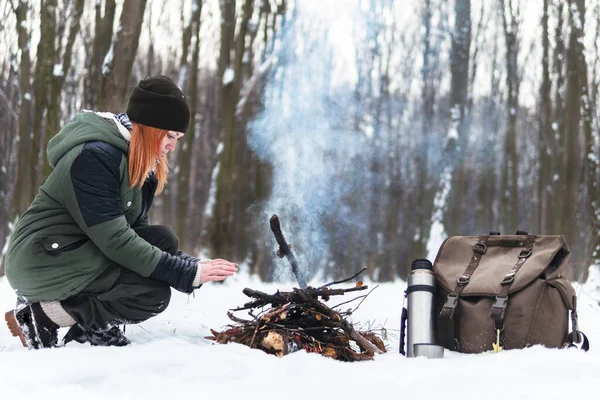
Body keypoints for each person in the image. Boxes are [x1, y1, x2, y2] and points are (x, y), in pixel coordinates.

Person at [4, 75, 238, 349]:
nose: (173, 145)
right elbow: (116, 241)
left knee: (163, 239)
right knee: (151, 293)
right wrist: (183, 274)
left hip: (76, 253)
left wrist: (192, 267)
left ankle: (83, 326)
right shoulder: (94, 157)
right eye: (170, 135)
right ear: (151, 126)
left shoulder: (140, 166)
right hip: (42, 259)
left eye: (178, 138)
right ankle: (43, 317)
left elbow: (141, 235)